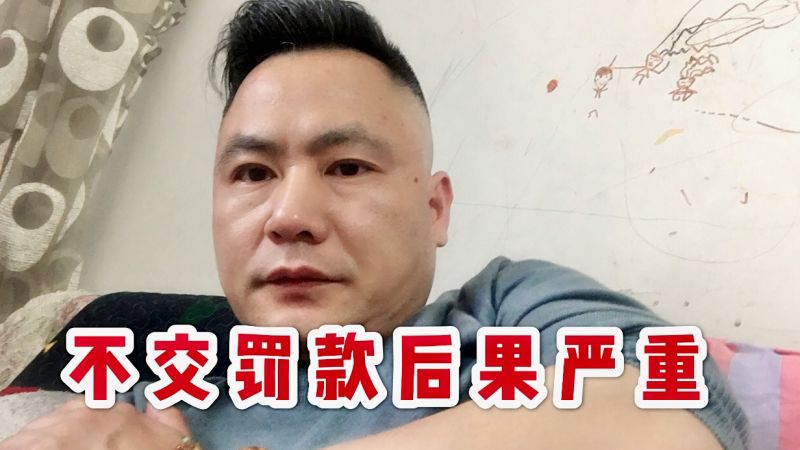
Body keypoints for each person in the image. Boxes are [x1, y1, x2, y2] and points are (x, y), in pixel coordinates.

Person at [0, 1, 748, 449]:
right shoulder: (154, 393)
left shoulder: (509, 310)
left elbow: (661, 417)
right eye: (253, 174)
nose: (289, 217)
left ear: (435, 208)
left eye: (348, 166)